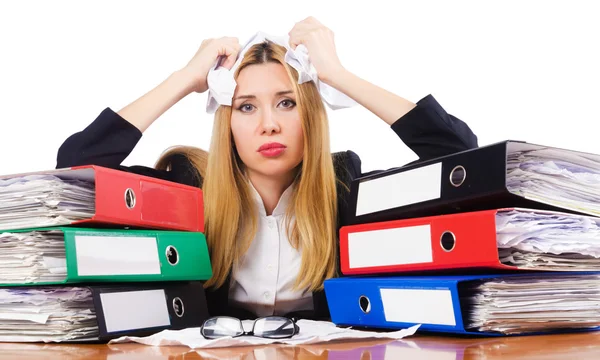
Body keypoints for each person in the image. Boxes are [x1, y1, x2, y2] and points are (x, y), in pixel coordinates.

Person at [56, 17, 478, 320]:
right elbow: (75, 169)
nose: (268, 124)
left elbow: (461, 157)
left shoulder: (345, 190)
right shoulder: (190, 188)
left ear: (310, 115)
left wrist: (337, 75)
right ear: (228, 123)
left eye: (286, 102)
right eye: (246, 106)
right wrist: (185, 77)